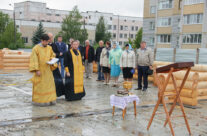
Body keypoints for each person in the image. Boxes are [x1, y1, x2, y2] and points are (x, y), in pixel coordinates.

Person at [29, 34, 57, 106]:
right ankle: (40, 101)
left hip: (48, 71)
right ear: (42, 40)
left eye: (48, 42)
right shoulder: (36, 48)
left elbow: (52, 55)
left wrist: (52, 60)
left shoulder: (49, 48)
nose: (47, 43)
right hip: (40, 71)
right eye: (46, 42)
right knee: (40, 86)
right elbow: (34, 60)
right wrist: (36, 70)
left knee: (49, 86)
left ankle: (50, 100)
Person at [48, 33, 65, 97]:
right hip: (46, 66)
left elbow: (57, 52)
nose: (51, 39)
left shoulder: (54, 45)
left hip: (54, 64)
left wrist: (56, 55)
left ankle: (58, 93)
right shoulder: (44, 45)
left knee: (57, 79)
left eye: (52, 37)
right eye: (50, 37)